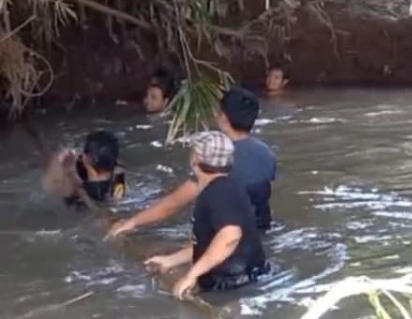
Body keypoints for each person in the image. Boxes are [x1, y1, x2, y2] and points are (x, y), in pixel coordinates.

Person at [109, 87, 278, 238]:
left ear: (223, 118)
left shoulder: (216, 156)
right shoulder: (267, 153)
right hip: (262, 233)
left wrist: (131, 222)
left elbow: (174, 204)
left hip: (226, 241)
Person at [143, 131, 269, 299]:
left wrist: (191, 276)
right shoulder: (228, 187)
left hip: (234, 286)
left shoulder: (218, 193)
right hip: (246, 280)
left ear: (195, 159)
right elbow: (210, 244)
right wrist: (170, 261)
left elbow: (229, 237)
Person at [42, 130, 127, 206]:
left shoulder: (75, 190)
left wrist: (59, 160)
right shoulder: (119, 179)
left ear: (87, 158)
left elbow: (48, 189)